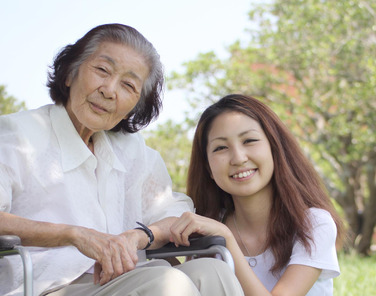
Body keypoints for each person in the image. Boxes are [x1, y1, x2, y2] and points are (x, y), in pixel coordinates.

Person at [0, 24, 243, 296]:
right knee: (167, 282)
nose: (109, 90)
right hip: (46, 287)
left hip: (126, 281)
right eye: (102, 70)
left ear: (135, 105)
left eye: (128, 85)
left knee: (213, 271)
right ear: (70, 73)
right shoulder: (17, 134)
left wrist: (140, 236)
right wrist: (74, 235)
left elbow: (173, 214)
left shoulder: (132, 151)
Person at [169, 94, 344, 295]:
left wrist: (225, 238)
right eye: (221, 147)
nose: (238, 158)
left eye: (249, 140)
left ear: (275, 148)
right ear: (208, 167)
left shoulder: (313, 224)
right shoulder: (207, 227)